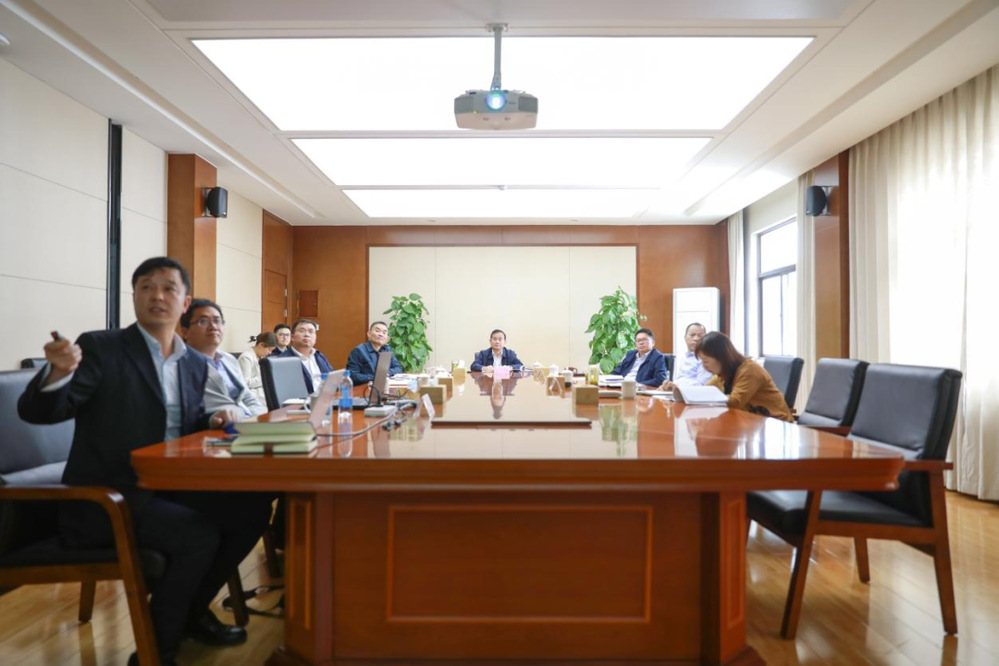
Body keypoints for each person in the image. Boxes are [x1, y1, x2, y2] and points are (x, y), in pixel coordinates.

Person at [17, 257, 274, 666]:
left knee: (251, 509)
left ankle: (190, 613)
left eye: (169, 288)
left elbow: (182, 424)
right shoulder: (102, 348)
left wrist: (212, 419)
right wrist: (57, 373)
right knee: (197, 534)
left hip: (171, 488)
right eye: (146, 287)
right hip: (110, 497)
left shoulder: (194, 362)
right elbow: (40, 412)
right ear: (134, 296)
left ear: (184, 302)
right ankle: (157, 651)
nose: (157, 295)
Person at [181, 299, 267, 417]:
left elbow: (247, 397)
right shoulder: (181, 364)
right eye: (203, 321)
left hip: (249, 422)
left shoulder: (228, 359)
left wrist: (262, 420)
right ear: (185, 332)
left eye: (217, 321)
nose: (213, 326)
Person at [695, 331, 793, 422]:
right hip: (751, 423)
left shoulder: (750, 370)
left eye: (705, 361)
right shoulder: (723, 374)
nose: (704, 366)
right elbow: (705, 392)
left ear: (721, 357)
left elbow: (734, 403)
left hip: (775, 424)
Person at [278, 318, 333, 393]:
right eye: (302, 331)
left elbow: (332, 379)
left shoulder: (319, 356)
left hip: (327, 398)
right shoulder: (283, 361)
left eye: (311, 331)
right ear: (292, 337)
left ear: (315, 337)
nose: (307, 334)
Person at [345, 321, 403, 386]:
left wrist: (386, 373)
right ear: (369, 334)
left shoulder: (387, 349)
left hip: (382, 386)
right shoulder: (358, 351)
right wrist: (375, 377)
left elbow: (398, 368)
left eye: (384, 333)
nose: (381, 334)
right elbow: (353, 375)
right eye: (377, 331)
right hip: (363, 388)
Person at [661, 322, 712, 390]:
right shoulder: (685, 356)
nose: (696, 339)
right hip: (678, 391)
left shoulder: (706, 358)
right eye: (692, 335)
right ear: (685, 337)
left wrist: (677, 387)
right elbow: (681, 379)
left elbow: (702, 385)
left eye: (700, 336)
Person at [238, 331, 277, 405]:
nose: (270, 353)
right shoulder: (246, 358)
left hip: (258, 389)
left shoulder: (260, 357)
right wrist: (265, 377)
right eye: (269, 349)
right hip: (250, 392)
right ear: (261, 345)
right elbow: (245, 383)